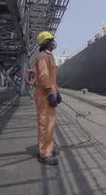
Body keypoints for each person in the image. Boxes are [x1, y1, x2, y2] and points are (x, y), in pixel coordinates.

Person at [34, 31, 62, 166]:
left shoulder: (50, 56)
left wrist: (57, 92)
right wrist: (50, 93)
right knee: (45, 124)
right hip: (44, 95)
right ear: (45, 42)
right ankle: (44, 153)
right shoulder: (42, 57)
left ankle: (48, 147)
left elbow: (52, 78)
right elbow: (44, 77)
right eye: (50, 40)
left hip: (50, 93)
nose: (53, 42)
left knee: (50, 123)